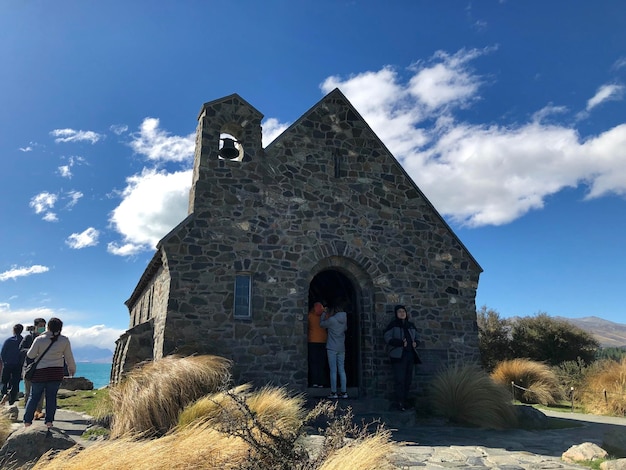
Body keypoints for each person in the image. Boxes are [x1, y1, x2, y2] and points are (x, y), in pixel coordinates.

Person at [24, 317, 76, 428]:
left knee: (34, 397)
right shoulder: (64, 340)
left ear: (48, 326)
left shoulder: (39, 339)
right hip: (56, 372)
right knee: (51, 397)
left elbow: (30, 355)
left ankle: (27, 422)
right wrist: (72, 369)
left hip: (40, 372)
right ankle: (49, 422)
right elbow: (69, 357)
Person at [383, 305, 421, 411]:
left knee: (408, 380)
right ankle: (399, 402)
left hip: (410, 355)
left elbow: (418, 337)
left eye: (403, 311)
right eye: (399, 311)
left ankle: (405, 401)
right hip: (398, 356)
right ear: (396, 313)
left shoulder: (411, 326)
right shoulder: (393, 325)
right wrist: (399, 343)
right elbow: (387, 337)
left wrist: (416, 343)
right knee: (399, 380)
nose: (402, 313)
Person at [320, 301, 348, 399]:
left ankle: (334, 392)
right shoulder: (344, 319)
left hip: (332, 347)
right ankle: (344, 392)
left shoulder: (332, 320)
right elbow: (345, 329)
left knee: (333, 370)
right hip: (341, 347)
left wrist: (324, 313)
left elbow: (322, 324)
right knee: (342, 369)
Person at [20, 318, 47, 419]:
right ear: (35, 326)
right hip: (29, 368)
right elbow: (21, 350)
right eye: (40, 325)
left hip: (42, 367)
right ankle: (28, 411)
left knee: (41, 392)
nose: (42, 328)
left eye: (44, 325)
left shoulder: (46, 338)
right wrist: (33, 351)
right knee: (28, 392)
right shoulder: (28, 338)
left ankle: (38, 411)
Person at [0, 324, 24, 405]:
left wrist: (4, 361)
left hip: (8, 364)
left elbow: (3, 353)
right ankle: (12, 400)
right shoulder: (23, 340)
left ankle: (4, 393)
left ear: (13, 330)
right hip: (18, 365)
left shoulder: (8, 340)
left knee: (4, 381)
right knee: (15, 382)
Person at [307, 301, 328, 388]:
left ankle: (314, 382)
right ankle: (321, 382)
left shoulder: (310, 316)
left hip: (312, 341)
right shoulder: (325, 316)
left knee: (313, 363)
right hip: (323, 341)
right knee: (322, 363)